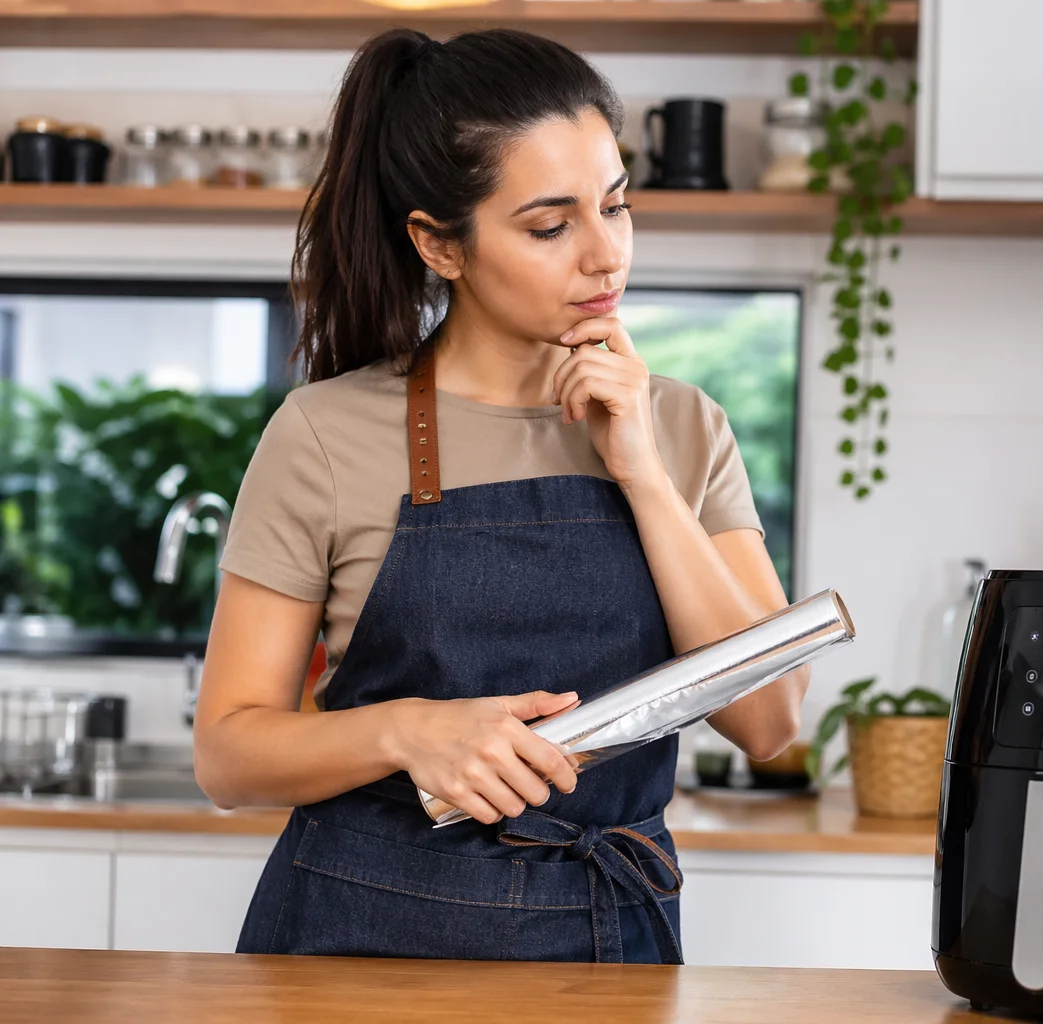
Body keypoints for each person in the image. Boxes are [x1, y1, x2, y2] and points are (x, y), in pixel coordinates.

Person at [192, 27, 806, 964]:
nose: (606, 257)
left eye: (618, 205)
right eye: (552, 226)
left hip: (614, 936)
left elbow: (767, 722)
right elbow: (229, 755)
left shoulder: (682, 426)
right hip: (363, 937)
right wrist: (408, 731)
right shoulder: (325, 433)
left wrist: (640, 468)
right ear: (442, 244)